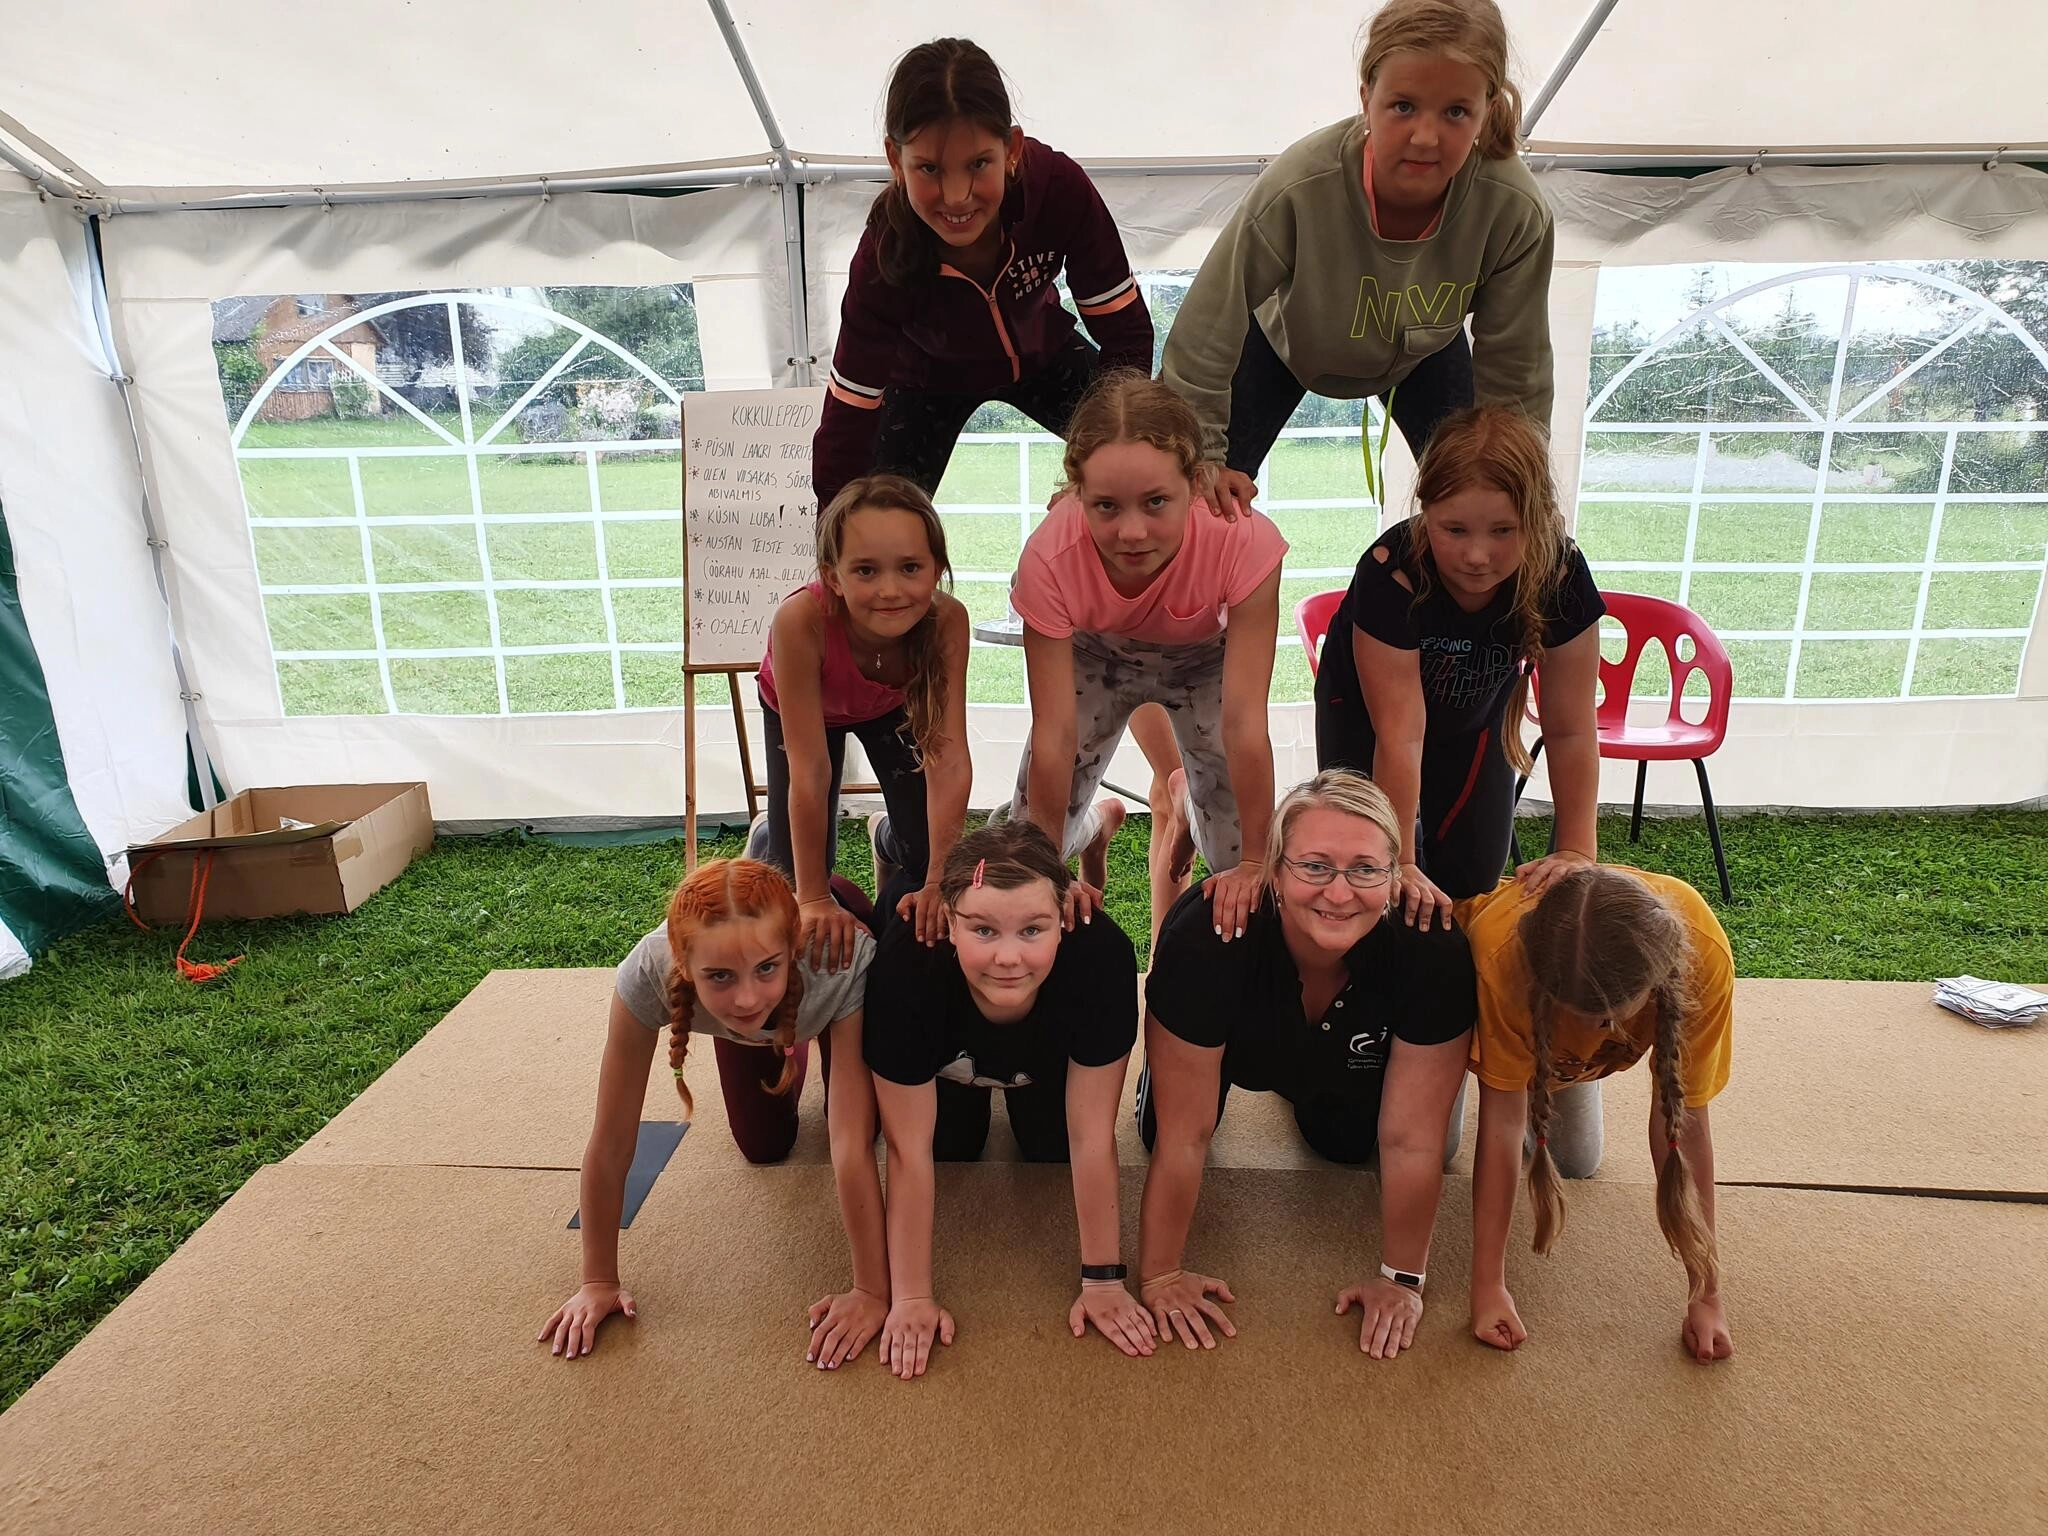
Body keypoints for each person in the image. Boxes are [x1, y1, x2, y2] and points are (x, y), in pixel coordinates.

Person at [812, 35, 1184, 901]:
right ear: (894, 162)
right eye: (928, 170)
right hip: (924, 384)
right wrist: (833, 546)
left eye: (977, 165)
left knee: (1141, 494)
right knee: (878, 561)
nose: (954, 195)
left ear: (1013, 149)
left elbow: (1126, 336)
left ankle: (1169, 774)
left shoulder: (1057, 188)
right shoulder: (884, 253)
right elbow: (851, 408)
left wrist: (1105, 468)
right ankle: (910, 821)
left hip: (1046, 359)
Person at [1160, 0, 1554, 517]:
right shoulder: (1300, 185)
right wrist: (1204, 457)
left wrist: (1521, 484)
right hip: (1283, 343)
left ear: (1487, 108)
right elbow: (1210, 321)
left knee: (1490, 504)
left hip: (1425, 350)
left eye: (1456, 112)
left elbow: (1516, 366)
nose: (1426, 137)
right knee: (1195, 498)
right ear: (1367, 97)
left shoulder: (1514, 209)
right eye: (1403, 106)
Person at [1136, 771, 1476, 1359]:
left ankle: (1306, 1068)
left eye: (1365, 869)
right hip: (1233, 1043)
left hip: (1332, 1047)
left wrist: (1402, 1281)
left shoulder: (1432, 948)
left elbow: (1412, 1142)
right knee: (1160, 1133)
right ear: (1273, 871)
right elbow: (1185, 1138)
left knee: (1345, 1146)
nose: (1339, 894)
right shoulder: (1207, 936)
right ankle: (1186, 807)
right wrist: (1161, 1275)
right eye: (1314, 866)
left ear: (1397, 876)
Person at [537, 860, 889, 1370]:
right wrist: (597, 1281)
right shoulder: (648, 970)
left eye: (766, 967)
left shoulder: (841, 962)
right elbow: (611, 1140)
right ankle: (782, 1041)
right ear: (683, 964)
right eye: (719, 976)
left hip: (828, 974)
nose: (745, 997)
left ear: (791, 951)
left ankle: (793, 1030)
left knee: (866, 1124)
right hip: (760, 1019)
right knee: (762, 1146)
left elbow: (850, 1143)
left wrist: (871, 1291)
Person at [861, 822, 1149, 1379]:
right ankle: (890, 841)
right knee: (950, 1149)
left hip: (1037, 1063)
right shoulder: (907, 962)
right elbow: (906, 1150)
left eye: (1033, 930)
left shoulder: (1102, 957)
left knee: (1051, 1149)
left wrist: (1103, 1281)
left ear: (1063, 920)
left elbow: (1092, 1137)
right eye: (984, 930)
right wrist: (911, 1297)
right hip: (950, 1058)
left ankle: (1096, 824)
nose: (1009, 957)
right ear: (949, 923)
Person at [1007, 370, 1285, 940]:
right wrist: (1042, 871)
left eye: (1156, 502)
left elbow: (1244, 722)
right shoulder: (1050, 556)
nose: (1132, 532)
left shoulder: (1241, 538)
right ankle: (1095, 826)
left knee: (1240, 857)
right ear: (1076, 493)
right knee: (1028, 843)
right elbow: (1055, 734)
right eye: (1106, 506)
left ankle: (1186, 805)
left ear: (1198, 482)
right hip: (1096, 653)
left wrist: (1257, 863)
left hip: (1203, 658)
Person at [1315, 406, 1603, 925]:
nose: (1476, 555)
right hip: (1365, 721)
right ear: (1425, 511)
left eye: (1503, 531)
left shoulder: (1560, 573)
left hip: (1473, 718)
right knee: (1369, 874)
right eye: (1454, 529)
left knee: (1472, 876)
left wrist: (1577, 850)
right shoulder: (1391, 572)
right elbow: (1400, 735)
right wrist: (1400, 862)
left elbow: (1571, 729)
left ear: (1538, 519)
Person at [1460, 863, 1735, 1363]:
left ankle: (1564, 1064)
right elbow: (1502, 1123)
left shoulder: (1703, 953)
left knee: (1578, 1160)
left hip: (1564, 1060)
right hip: (1469, 1024)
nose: (1597, 1029)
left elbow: (1685, 1120)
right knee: (1435, 1148)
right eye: (1581, 1016)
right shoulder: (1499, 957)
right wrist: (1488, 1285)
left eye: (1608, 1020)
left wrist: (1707, 1293)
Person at [753, 474, 971, 954]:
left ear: (937, 569)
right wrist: (813, 898)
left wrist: (939, 880)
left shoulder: (947, 621)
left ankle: (885, 836)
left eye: (910, 567)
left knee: (926, 853)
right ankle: (770, 833)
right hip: (805, 711)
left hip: (886, 706)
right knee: (793, 877)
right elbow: (811, 773)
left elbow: (949, 757)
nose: (890, 590)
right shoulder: (800, 621)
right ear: (833, 576)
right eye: (866, 571)